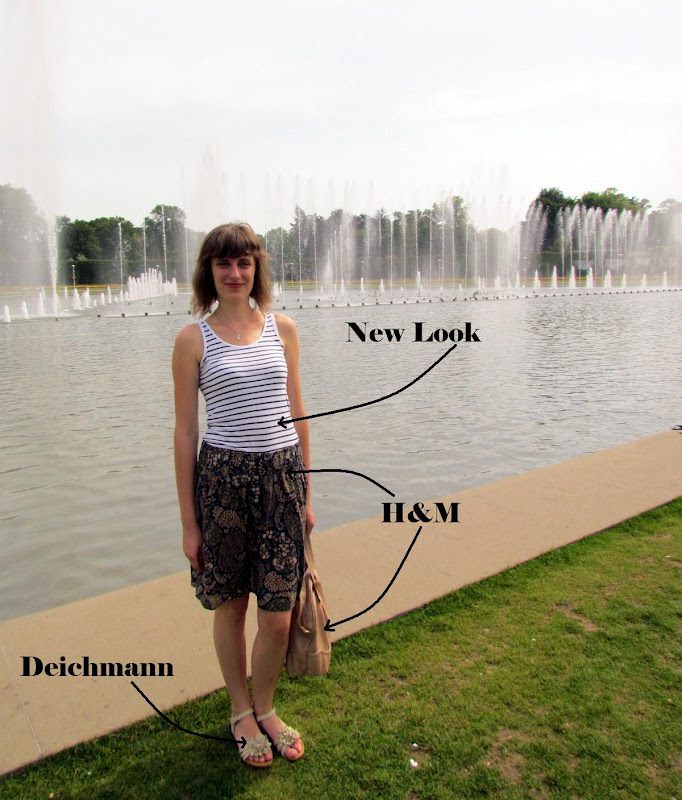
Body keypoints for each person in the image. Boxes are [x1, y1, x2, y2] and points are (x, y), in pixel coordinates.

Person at [172, 222, 314, 767]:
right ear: (209, 272)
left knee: (278, 614)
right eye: (223, 263)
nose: (235, 273)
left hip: (281, 480)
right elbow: (186, 432)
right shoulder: (192, 340)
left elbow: (298, 413)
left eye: (244, 263)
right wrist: (190, 523)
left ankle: (266, 706)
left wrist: (306, 494)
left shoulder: (284, 329)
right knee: (231, 607)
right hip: (223, 486)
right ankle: (240, 712)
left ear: (257, 269)